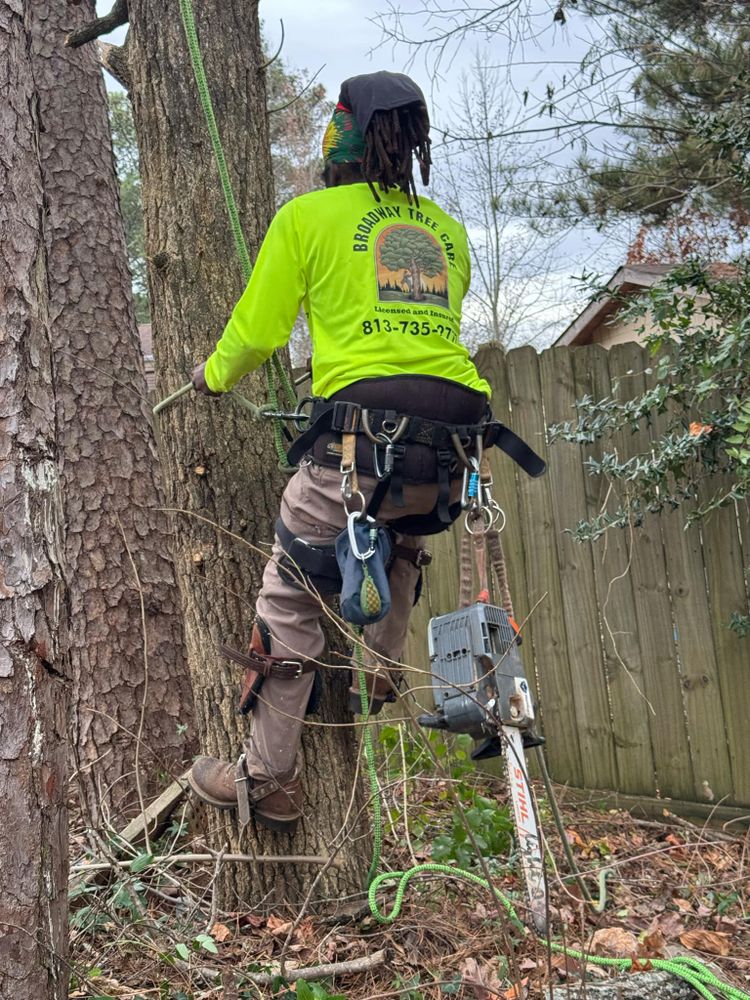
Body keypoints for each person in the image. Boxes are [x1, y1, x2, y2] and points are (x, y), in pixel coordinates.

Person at [188, 71, 496, 834]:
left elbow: (259, 331)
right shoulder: (447, 231)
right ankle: (382, 672)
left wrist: (212, 376)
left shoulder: (309, 217)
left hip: (359, 436)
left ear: (342, 136)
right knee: (400, 530)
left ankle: (269, 780)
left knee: (291, 593)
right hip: (452, 444)